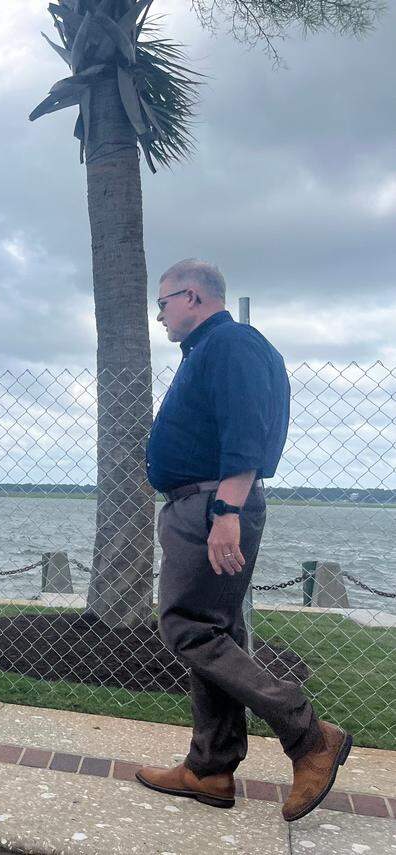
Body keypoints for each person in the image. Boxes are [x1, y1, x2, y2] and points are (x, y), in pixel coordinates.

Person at [135, 260, 351, 823]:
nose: (158, 314)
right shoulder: (208, 351)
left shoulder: (231, 343)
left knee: (186, 627)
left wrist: (225, 511)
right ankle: (210, 767)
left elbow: (247, 431)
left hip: (212, 506)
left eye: (163, 303)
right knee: (215, 630)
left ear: (193, 297)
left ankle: (307, 734)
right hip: (202, 503)